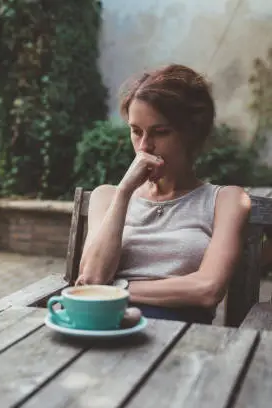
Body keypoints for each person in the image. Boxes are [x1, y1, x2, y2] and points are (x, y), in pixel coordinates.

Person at [75, 64, 251, 324]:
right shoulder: (108, 197)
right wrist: (124, 193)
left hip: (178, 338)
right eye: (136, 131)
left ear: (191, 134)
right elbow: (91, 280)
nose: (145, 146)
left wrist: (117, 288)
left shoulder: (227, 200)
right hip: (104, 326)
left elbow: (207, 290)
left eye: (161, 132)